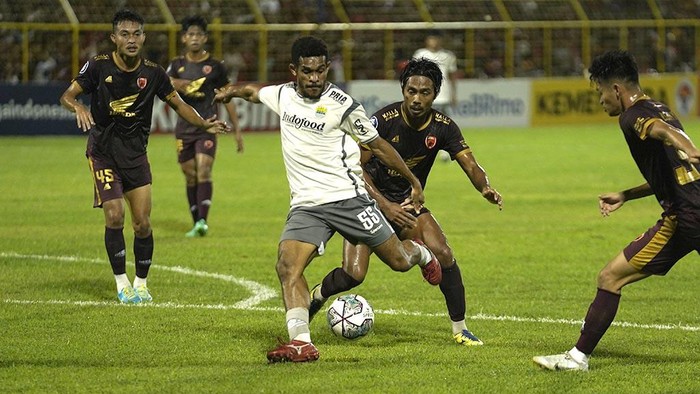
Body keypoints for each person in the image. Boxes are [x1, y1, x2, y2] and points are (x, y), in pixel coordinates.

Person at [214, 36, 442, 363]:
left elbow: (378, 146)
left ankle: (420, 253)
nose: (314, 79)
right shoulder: (283, 95)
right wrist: (230, 91)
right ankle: (301, 343)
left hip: (349, 199)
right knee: (287, 266)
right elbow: (253, 92)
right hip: (307, 206)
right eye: (307, 71)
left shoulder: (343, 105)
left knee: (398, 261)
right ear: (294, 71)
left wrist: (412, 181)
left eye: (321, 71)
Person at [307, 58, 503, 346]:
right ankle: (317, 295)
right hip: (367, 203)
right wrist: (384, 205)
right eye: (411, 91)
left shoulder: (444, 127)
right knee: (354, 274)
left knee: (444, 253)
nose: (416, 98)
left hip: (408, 204)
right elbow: (355, 169)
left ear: (435, 94)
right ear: (403, 89)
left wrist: (484, 187)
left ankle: (460, 329)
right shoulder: (382, 122)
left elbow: (470, 164)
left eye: (424, 92)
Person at [533, 50, 700, 371]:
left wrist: (689, 147)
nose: (600, 100)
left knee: (610, 277)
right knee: (610, 276)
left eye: (600, 92)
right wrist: (626, 194)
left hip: (686, 215)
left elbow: (660, 132)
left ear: (617, 90)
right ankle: (577, 357)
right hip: (693, 201)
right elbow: (670, 169)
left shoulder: (633, 116)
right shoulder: (660, 107)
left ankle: (577, 358)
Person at [59, 9, 229, 304]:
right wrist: (78, 107)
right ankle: (121, 283)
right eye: (125, 34)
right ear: (114, 38)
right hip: (102, 154)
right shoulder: (98, 66)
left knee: (142, 224)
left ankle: (141, 282)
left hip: (136, 157)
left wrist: (204, 122)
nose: (131, 39)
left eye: (137, 33)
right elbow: (67, 95)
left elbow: (178, 104)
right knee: (114, 216)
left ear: (144, 37)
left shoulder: (153, 73)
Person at [166, 15, 244, 237]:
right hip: (184, 128)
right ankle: (196, 220)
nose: (195, 38)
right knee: (189, 174)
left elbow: (227, 96)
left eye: (199, 34)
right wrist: (176, 83)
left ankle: (202, 220)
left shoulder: (215, 67)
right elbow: (160, 82)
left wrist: (237, 130)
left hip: (208, 126)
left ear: (205, 38)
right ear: (183, 38)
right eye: (190, 34)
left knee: (204, 169)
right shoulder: (177, 65)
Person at [412, 30, 458, 113]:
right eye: (432, 39)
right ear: (427, 40)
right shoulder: (420, 54)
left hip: (443, 94)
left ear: (441, 40)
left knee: (442, 121)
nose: (434, 42)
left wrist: (453, 94)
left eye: (436, 39)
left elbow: (452, 76)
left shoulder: (448, 55)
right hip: (424, 94)